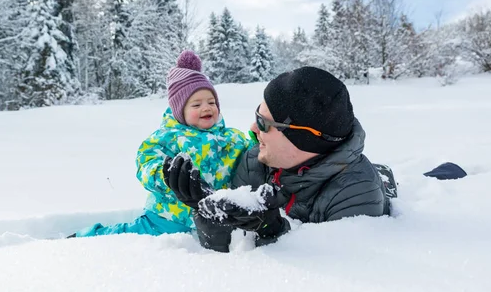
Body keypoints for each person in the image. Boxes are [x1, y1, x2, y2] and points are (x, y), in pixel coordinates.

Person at [165, 66, 396, 252]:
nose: (253, 128)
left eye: (264, 122)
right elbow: (229, 249)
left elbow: (330, 277)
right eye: (257, 114)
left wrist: (272, 232)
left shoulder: (357, 194)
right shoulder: (254, 161)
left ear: (302, 138)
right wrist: (207, 210)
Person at [71, 50, 250, 238]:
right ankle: (86, 238)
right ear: (180, 110)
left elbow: (251, 157)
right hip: (168, 217)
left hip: (216, 222)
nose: (206, 108)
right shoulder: (168, 137)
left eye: (211, 102)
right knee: (126, 236)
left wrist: (258, 143)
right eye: (196, 105)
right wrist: (165, 175)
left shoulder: (232, 138)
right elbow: (146, 162)